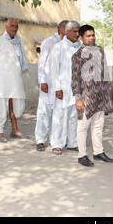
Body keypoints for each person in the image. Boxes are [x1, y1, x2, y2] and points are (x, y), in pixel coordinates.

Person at [71, 24, 113, 167]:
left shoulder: (100, 51)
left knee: (98, 125)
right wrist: (78, 98)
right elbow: (75, 78)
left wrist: (107, 90)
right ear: (81, 38)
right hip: (86, 96)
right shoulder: (77, 56)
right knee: (83, 126)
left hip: (100, 95)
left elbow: (105, 71)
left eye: (93, 35)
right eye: (88, 36)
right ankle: (82, 155)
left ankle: (98, 152)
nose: (92, 38)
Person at [0, 19, 28, 142]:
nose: (14, 28)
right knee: (0, 105)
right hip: (2, 80)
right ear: (6, 26)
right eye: (12, 25)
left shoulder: (18, 41)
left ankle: (15, 130)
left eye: (16, 26)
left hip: (15, 78)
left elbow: (21, 59)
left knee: (15, 103)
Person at [34, 20, 68, 151]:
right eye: (66, 27)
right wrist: (42, 80)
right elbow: (42, 62)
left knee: (59, 115)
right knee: (44, 112)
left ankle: (57, 143)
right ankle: (40, 140)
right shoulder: (49, 42)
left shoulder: (70, 45)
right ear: (60, 28)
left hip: (62, 85)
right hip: (48, 83)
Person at [49, 21, 81, 155]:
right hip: (62, 89)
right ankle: (57, 144)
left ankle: (72, 143)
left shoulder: (80, 47)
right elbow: (54, 69)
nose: (77, 34)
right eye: (74, 31)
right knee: (60, 117)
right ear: (67, 32)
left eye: (78, 31)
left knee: (74, 116)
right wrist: (57, 88)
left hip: (76, 89)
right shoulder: (59, 47)